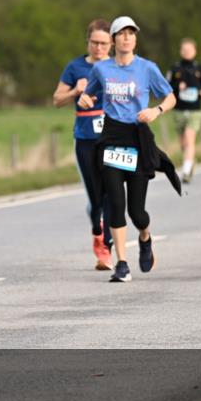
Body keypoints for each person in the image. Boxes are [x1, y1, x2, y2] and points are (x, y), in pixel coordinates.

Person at [78, 16, 179, 283]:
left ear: (135, 39)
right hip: (111, 137)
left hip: (137, 138)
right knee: (115, 203)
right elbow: (89, 94)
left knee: (137, 213)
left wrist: (156, 110)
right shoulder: (101, 69)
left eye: (131, 33)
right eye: (121, 33)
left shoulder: (147, 68)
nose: (126, 38)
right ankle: (122, 264)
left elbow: (170, 96)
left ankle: (145, 237)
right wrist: (85, 99)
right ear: (113, 40)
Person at [53, 18, 114, 270]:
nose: (99, 48)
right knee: (96, 199)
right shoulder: (75, 67)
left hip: (113, 138)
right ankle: (98, 230)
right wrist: (75, 92)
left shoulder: (117, 66)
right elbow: (57, 100)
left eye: (104, 43)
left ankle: (106, 248)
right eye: (94, 43)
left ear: (111, 44)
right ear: (87, 42)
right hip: (86, 139)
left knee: (112, 194)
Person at [165, 38, 201, 183]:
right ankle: (190, 161)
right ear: (180, 51)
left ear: (195, 51)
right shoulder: (175, 69)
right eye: (184, 50)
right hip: (178, 109)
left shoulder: (200, 69)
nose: (187, 52)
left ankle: (186, 171)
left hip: (194, 110)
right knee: (183, 143)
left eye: (189, 50)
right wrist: (178, 87)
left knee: (190, 139)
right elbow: (167, 86)